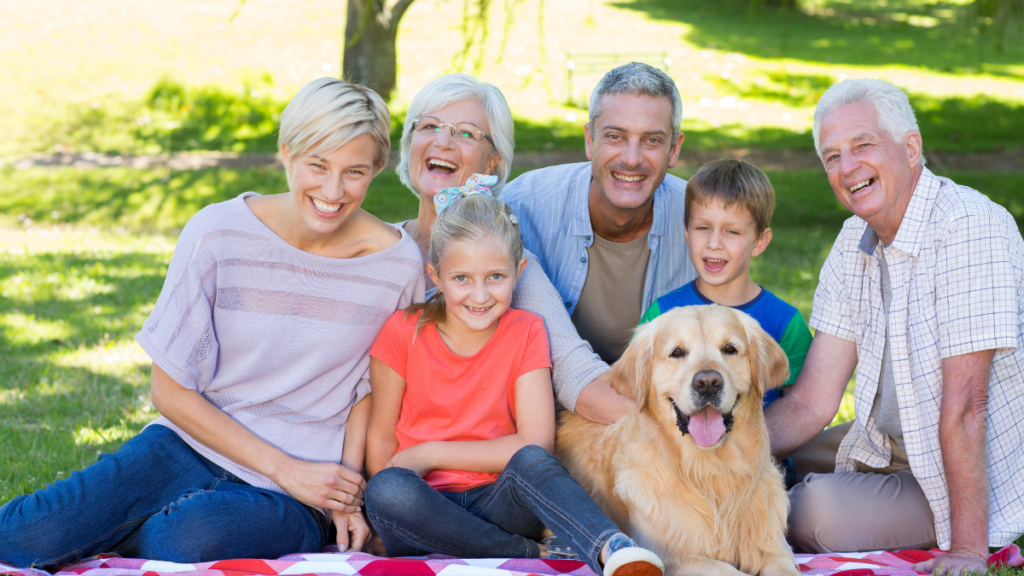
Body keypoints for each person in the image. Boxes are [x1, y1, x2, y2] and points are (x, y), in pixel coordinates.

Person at [0, 78, 424, 566]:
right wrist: (281, 467)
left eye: (354, 171)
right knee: (21, 536)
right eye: (318, 165)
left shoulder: (396, 267)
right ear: (286, 152)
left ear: (376, 170)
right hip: (186, 445)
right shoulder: (217, 234)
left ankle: (132, 527)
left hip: (301, 490)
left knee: (187, 539)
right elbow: (170, 391)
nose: (332, 191)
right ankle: (121, 520)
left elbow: (371, 393)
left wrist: (343, 490)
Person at [763, 78, 1024, 575]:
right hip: (885, 443)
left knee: (811, 511)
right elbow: (812, 401)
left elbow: (969, 406)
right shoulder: (852, 241)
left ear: (911, 148)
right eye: (832, 157)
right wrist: (708, 451)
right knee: (760, 452)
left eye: (863, 145)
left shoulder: (969, 227)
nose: (848, 168)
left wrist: (970, 551)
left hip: (960, 472)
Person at [362, 192, 665, 576]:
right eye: (461, 279)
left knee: (533, 461)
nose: (480, 295)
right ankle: (525, 552)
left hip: (499, 499)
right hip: (423, 505)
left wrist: (431, 453)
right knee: (387, 490)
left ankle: (612, 548)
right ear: (435, 275)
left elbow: (535, 443)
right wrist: (397, 476)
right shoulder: (402, 330)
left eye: (496, 277)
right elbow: (382, 438)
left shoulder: (526, 330)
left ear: (519, 271)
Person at [394, 73, 626, 424]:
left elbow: (575, 373)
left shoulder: (510, 266)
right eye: (429, 126)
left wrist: (683, 425)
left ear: (492, 162)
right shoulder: (376, 248)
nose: (442, 141)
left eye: (466, 133)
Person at [501, 62, 697, 424]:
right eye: (615, 136)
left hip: (665, 413)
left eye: (652, 140)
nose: (632, 158)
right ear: (590, 140)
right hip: (541, 416)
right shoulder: (521, 209)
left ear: (674, 149)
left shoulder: (702, 223)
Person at [638, 158, 812, 409]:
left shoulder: (785, 322)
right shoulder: (662, 313)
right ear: (687, 233)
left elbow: (802, 408)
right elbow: (640, 399)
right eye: (703, 227)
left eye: (732, 231)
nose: (714, 243)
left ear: (760, 242)